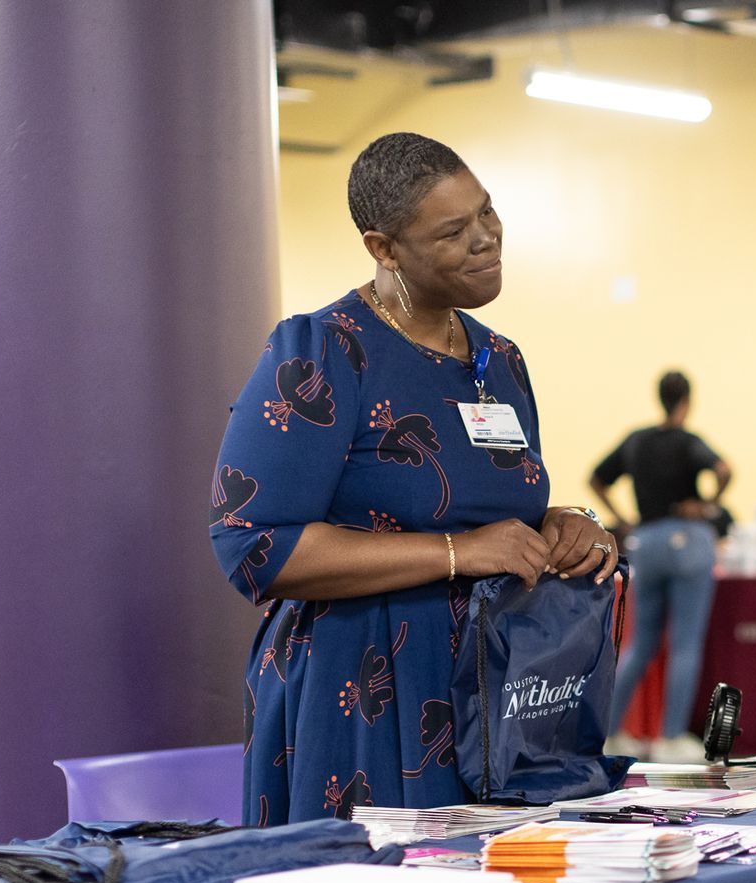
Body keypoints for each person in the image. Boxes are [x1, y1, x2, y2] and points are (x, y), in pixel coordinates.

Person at [210, 132, 619, 825]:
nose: (486, 239)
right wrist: (457, 554)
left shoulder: (498, 359)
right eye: (454, 232)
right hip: (367, 687)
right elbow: (251, 546)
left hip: (496, 693)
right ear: (384, 247)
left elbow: (490, 505)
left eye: (487, 213)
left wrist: (562, 525)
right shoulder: (324, 351)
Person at [590, 370, 733, 761]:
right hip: (688, 540)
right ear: (687, 401)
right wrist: (708, 505)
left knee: (640, 643)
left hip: (645, 541)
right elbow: (723, 470)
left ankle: (611, 733)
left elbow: (596, 478)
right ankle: (671, 738)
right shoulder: (688, 442)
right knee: (685, 643)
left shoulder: (636, 440)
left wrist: (622, 518)